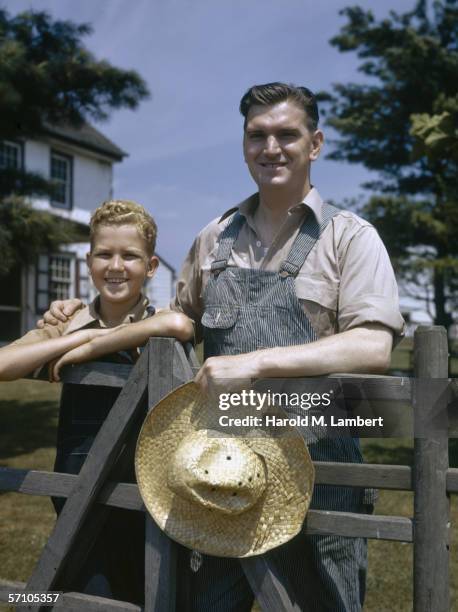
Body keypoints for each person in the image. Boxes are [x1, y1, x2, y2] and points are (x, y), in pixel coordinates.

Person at [39, 84, 405, 611]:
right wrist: (90, 337)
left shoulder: (350, 237)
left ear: (316, 143)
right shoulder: (215, 237)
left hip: (323, 475)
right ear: (243, 145)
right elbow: (177, 321)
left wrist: (252, 363)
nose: (270, 148)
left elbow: (372, 345)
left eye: (286, 134)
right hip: (219, 475)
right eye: (257, 135)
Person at [0, 199, 193, 603]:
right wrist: (78, 336)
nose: (116, 266)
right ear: (88, 261)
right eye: (104, 254)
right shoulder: (66, 321)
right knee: (81, 591)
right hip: (74, 482)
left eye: (130, 256)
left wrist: (94, 345)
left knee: (143, 592)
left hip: (143, 489)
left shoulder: (152, 324)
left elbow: (178, 323)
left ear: (152, 266)